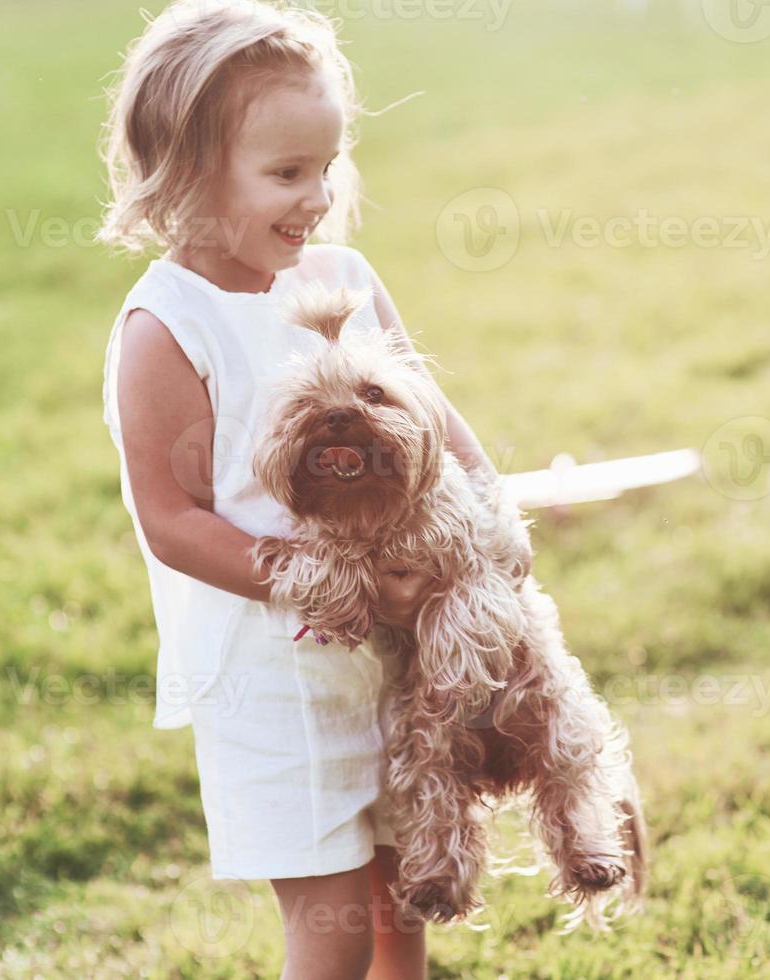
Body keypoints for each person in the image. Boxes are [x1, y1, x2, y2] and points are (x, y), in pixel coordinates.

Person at [95, 2, 497, 976]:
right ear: (185, 173)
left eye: (327, 165)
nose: (317, 195)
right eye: (286, 174)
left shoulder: (342, 278)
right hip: (275, 670)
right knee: (332, 923)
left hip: (397, 649)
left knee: (406, 882)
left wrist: (490, 516)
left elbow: (429, 418)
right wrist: (332, 584)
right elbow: (174, 520)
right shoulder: (168, 326)